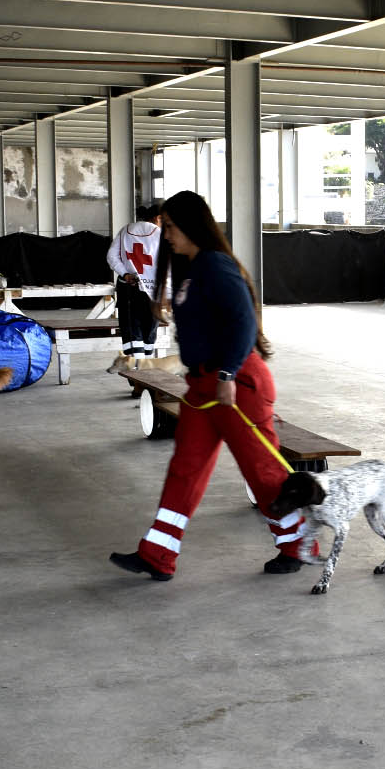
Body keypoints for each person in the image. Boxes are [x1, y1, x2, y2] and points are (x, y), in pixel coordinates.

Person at [109, 191, 312, 582]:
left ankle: (298, 544)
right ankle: (158, 555)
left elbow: (244, 322)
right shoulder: (192, 267)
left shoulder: (216, 265)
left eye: (168, 226)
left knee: (262, 470)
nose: (163, 233)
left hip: (236, 384)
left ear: (190, 224)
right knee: (185, 468)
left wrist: (227, 374)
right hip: (203, 386)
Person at [105, 202, 164, 373]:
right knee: (149, 332)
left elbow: (111, 256)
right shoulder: (161, 234)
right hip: (152, 290)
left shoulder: (125, 231)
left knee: (132, 333)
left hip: (129, 288)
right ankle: (148, 375)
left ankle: (135, 377)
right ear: (157, 218)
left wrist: (125, 274)